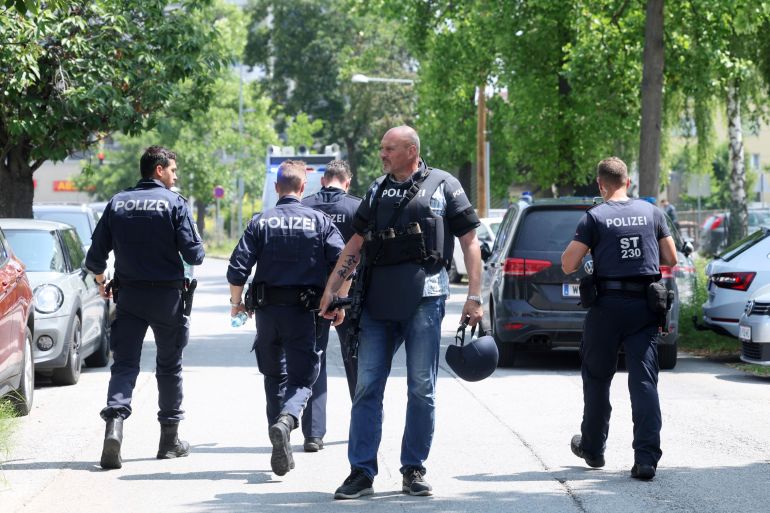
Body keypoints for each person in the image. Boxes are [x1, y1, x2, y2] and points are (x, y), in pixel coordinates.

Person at [318, 126, 483, 499]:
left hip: (426, 297)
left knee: (422, 388)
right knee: (366, 386)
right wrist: (332, 291)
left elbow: (470, 241)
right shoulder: (376, 189)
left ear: (411, 150)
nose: (382, 154)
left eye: (389, 148)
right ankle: (361, 472)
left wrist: (475, 296)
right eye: (381, 148)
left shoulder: (444, 185)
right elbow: (354, 246)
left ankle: (413, 469)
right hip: (378, 300)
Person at [85, 145, 205, 470]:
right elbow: (195, 255)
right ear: (159, 170)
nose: (175, 176)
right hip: (167, 298)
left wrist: (101, 283)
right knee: (169, 368)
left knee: (124, 366)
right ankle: (169, 442)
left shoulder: (118, 203)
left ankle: (114, 428)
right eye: (173, 170)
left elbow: (95, 259)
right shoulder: (175, 203)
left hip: (130, 297)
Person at [227, 160, 345, 477]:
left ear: (277, 188)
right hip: (305, 314)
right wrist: (335, 299)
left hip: (267, 313)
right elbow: (344, 262)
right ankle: (287, 420)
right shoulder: (319, 221)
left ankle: (280, 435)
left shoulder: (260, 222)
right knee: (303, 379)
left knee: (272, 377)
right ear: (303, 188)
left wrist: (236, 304)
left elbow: (237, 269)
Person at [561, 157, 677, 481]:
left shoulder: (595, 217)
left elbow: (568, 263)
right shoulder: (653, 213)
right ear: (628, 182)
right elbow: (671, 257)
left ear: (601, 185)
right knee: (643, 381)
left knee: (597, 378)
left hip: (607, 307)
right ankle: (646, 459)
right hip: (645, 307)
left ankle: (594, 449)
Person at [300, 160, 362, 452]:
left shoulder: (305, 205)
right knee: (356, 358)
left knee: (316, 358)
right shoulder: (357, 207)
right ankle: (364, 422)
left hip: (312, 294)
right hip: (351, 295)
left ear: (323, 180)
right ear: (346, 182)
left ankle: (313, 434)